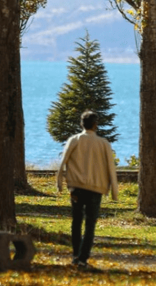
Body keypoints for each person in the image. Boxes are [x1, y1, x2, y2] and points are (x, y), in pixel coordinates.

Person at [56, 110, 119, 270]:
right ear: (95, 125)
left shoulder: (74, 140)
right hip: (96, 189)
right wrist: (114, 192)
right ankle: (83, 258)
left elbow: (63, 161)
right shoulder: (103, 143)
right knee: (90, 224)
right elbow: (111, 168)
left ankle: (76, 255)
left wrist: (59, 183)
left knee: (76, 222)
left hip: (76, 187)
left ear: (81, 124)